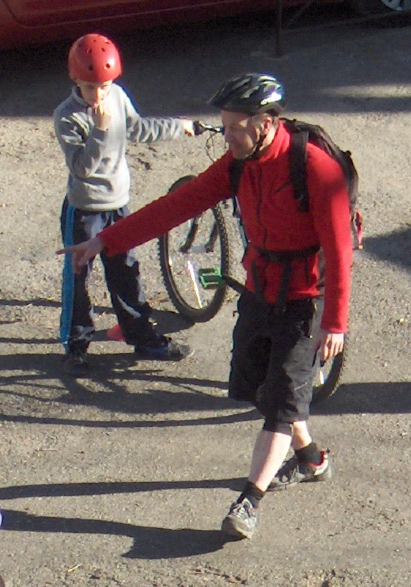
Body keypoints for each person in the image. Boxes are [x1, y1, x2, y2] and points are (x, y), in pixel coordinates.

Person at [66, 72, 352, 541]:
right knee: (263, 388)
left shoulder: (316, 169)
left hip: (306, 300)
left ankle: (250, 501)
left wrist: (335, 323)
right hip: (261, 289)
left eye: (236, 127)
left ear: (265, 122)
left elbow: (340, 253)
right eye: (224, 125)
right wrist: (105, 240)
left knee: (280, 402)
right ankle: (311, 458)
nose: (228, 135)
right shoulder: (239, 163)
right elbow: (177, 206)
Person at [54, 33, 204, 370]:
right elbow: (81, 167)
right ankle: (76, 343)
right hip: (84, 209)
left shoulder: (117, 97)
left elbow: (137, 128)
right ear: (75, 79)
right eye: (92, 87)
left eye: (105, 86)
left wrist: (179, 127)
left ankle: (140, 336)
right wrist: (101, 130)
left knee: (126, 272)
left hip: (118, 205)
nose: (100, 94)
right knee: (77, 276)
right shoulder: (67, 116)